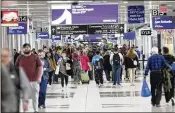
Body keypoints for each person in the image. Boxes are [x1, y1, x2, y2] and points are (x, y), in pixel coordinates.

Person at [15, 43, 43, 112]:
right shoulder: (20, 57)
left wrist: (39, 77)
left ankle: (35, 110)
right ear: (23, 49)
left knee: (35, 96)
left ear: (30, 48)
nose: (26, 49)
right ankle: (25, 110)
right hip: (23, 81)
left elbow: (40, 67)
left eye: (27, 47)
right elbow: (16, 68)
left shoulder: (35, 57)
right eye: (25, 47)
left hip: (34, 80)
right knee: (24, 97)